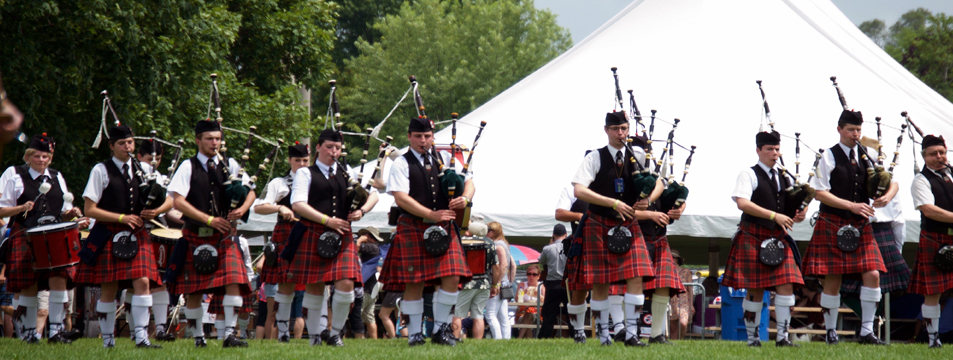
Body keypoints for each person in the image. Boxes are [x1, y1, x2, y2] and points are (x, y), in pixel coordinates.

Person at [379, 116, 475, 347]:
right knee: (415, 282)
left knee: (452, 277)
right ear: (409, 137)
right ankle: (414, 334)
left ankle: (441, 331)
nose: (423, 140)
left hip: (444, 227)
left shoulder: (445, 158)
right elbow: (401, 198)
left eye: (427, 136)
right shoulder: (402, 163)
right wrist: (430, 214)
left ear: (433, 137)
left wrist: (465, 199)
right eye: (418, 136)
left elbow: (469, 181)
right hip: (414, 225)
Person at [281, 128, 379, 347]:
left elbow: (374, 195)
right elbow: (297, 205)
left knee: (346, 284)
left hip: (342, 236)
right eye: (329, 147)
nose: (333, 152)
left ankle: (335, 333)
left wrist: (361, 211)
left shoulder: (348, 173)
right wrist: (327, 220)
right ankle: (315, 337)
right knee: (315, 286)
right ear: (318, 147)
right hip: (314, 233)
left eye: (337, 148)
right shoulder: (306, 173)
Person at [76, 124, 168, 348]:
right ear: (111, 146)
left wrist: (155, 211)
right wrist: (121, 218)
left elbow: (169, 199)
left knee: (143, 283)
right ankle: (108, 340)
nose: (126, 147)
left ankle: (141, 337)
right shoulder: (101, 170)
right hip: (110, 233)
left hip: (137, 235)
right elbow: (89, 209)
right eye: (121, 143)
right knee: (109, 287)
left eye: (130, 142)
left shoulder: (144, 170)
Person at [166, 119, 256, 348]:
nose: (214, 143)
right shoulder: (188, 166)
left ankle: (228, 335)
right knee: (194, 290)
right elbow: (178, 200)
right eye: (209, 139)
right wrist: (208, 219)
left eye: (217, 138)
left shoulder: (231, 164)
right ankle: (198, 337)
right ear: (198, 141)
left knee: (234, 281)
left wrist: (242, 210)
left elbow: (251, 193)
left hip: (224, 238)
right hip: (196, 235)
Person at [568, 111, 655, 346]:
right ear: (606, 130)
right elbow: (579, 190)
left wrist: (647, 199)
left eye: (624, 128)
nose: (621, 133)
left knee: (636, 277)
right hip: (599, 223)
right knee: (600, 282)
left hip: (628, 224)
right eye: (616, 129)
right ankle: (605, 335)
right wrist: (612, 202)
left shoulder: (637, 156)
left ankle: (632, 333)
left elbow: (658, 182)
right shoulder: (594, 158)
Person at [804, 110, 887, 345]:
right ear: (839, 129)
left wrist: (885, 196)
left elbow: (888, 181)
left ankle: (867, 331)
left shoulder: (867, 155)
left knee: (872, 274)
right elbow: (818, 192)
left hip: (860, 225)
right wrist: (851, 205)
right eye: (851, 130)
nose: (855, 134)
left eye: (859, 130)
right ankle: (831, 332)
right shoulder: (828, 156)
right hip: (833, 221)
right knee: (832, 280)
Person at [723, 131, 806, 347]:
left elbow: (788, 211)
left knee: (787, 285)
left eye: (777, 149)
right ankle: (753, 339)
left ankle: (783, 338)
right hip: (753, 235)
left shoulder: (784, 177)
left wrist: (798, 214)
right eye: (769, 149)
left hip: (778, 237)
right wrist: (773, 215)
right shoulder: (748, 174)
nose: (774, 153)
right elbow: (742, 203)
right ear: (758, 150)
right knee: (755, 289)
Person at [0, 133, 83, 344]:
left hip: (53, 237)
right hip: (24, 234)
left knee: (59, 280)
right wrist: (20, 208)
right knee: (29, 284)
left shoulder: (56, 177)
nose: (42, 160)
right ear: (28, 157)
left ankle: (56, 332)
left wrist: (71, 213)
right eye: (37, 156)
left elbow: (63, 211)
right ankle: (29, 334)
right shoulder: (14, 174)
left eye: (46, 156)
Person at [629, 134, 687, 345]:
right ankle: (629, 334)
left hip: (658, 236)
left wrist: (678, 208)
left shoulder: (655, 173)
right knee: (631, 285)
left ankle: (656, 335)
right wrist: (650, 214)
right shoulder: (628, 174)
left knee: (662, 285)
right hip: (634, 235)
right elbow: (622, 211)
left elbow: (668, 193)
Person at [252, 141, 310, 342]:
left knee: (306, 295)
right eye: (297, 160)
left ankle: (312, 335)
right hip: (285, 236)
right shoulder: (280, 183)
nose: (302, 164)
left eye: (305, 160)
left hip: (308, 236)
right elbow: (259, 208)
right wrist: (278, 208)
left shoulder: (315, 180)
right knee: (276, 296)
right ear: (289, 161)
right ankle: (276, 340)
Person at [909, 134, 953, 348]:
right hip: (936, 239)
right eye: (933, 154)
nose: (939, 157)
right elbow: (929, 210)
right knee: (933, 291)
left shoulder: (951, 175)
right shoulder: (921, 180)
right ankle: (933, 338)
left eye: (942, 153)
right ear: (924, 156)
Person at [452, 218, 499, 340]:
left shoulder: (461, 241)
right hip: (484, 284)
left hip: (466, 283)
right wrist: (494, 285)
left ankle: (455, 339)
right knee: (478, 315)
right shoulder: (490, 243)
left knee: (457, 314)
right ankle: (478, 342)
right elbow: (496, 267)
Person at [537, 224, 569, 339]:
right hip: (567, 284)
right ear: (566, 235)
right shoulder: (570, 246)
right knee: (571, 312)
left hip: (552, 284)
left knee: (549, 314)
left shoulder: (547, 248)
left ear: (554, 235)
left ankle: (544, 338)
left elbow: (541, 261)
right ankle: (576, 336)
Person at [485, 221, 515, 340]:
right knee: (503, 316)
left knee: (490, 315)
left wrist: (496, 283)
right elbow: (513, 265)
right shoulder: (504, 244)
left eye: (488, 230)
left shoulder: (497, 245)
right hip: (505, 282)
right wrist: (509, 282)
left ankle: (497, 340)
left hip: (498, 283)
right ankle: (506, 340)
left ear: (494, 232)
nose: (486, 232)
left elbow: (503, 265)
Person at [357, 226, 385, 339]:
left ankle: (359, 338)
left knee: (356, 315)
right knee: (369, 317)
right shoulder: (375, 248)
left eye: (366, 235)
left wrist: (359, 240)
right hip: (372, 289)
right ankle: (374, 341)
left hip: (365, 289)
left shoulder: (371, 247)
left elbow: (355, 248)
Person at [668, 250, 694, 339]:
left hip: (684, 302)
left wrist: (691, 304)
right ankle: (675, 346)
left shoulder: (686, 272)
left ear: (678, 259)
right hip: (671, 301)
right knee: (673, 328)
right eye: (670, 257)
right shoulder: (667, 271)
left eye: (674, 257)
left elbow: (690, 289)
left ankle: (681, 339)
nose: (672, 258)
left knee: (683, 323)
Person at [516, 264, 544, 338]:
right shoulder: (522, 285)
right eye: (529, 274)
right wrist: (523, 292)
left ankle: (519, 338)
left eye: (534, 274)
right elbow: (516, 300)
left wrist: (539, 295)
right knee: (528, 316)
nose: (531, 276)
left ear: (539, 276)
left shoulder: (541, 286)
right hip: (523, 312)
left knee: (529, 315)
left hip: (538, 313)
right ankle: (530, 341)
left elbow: (545, 301)